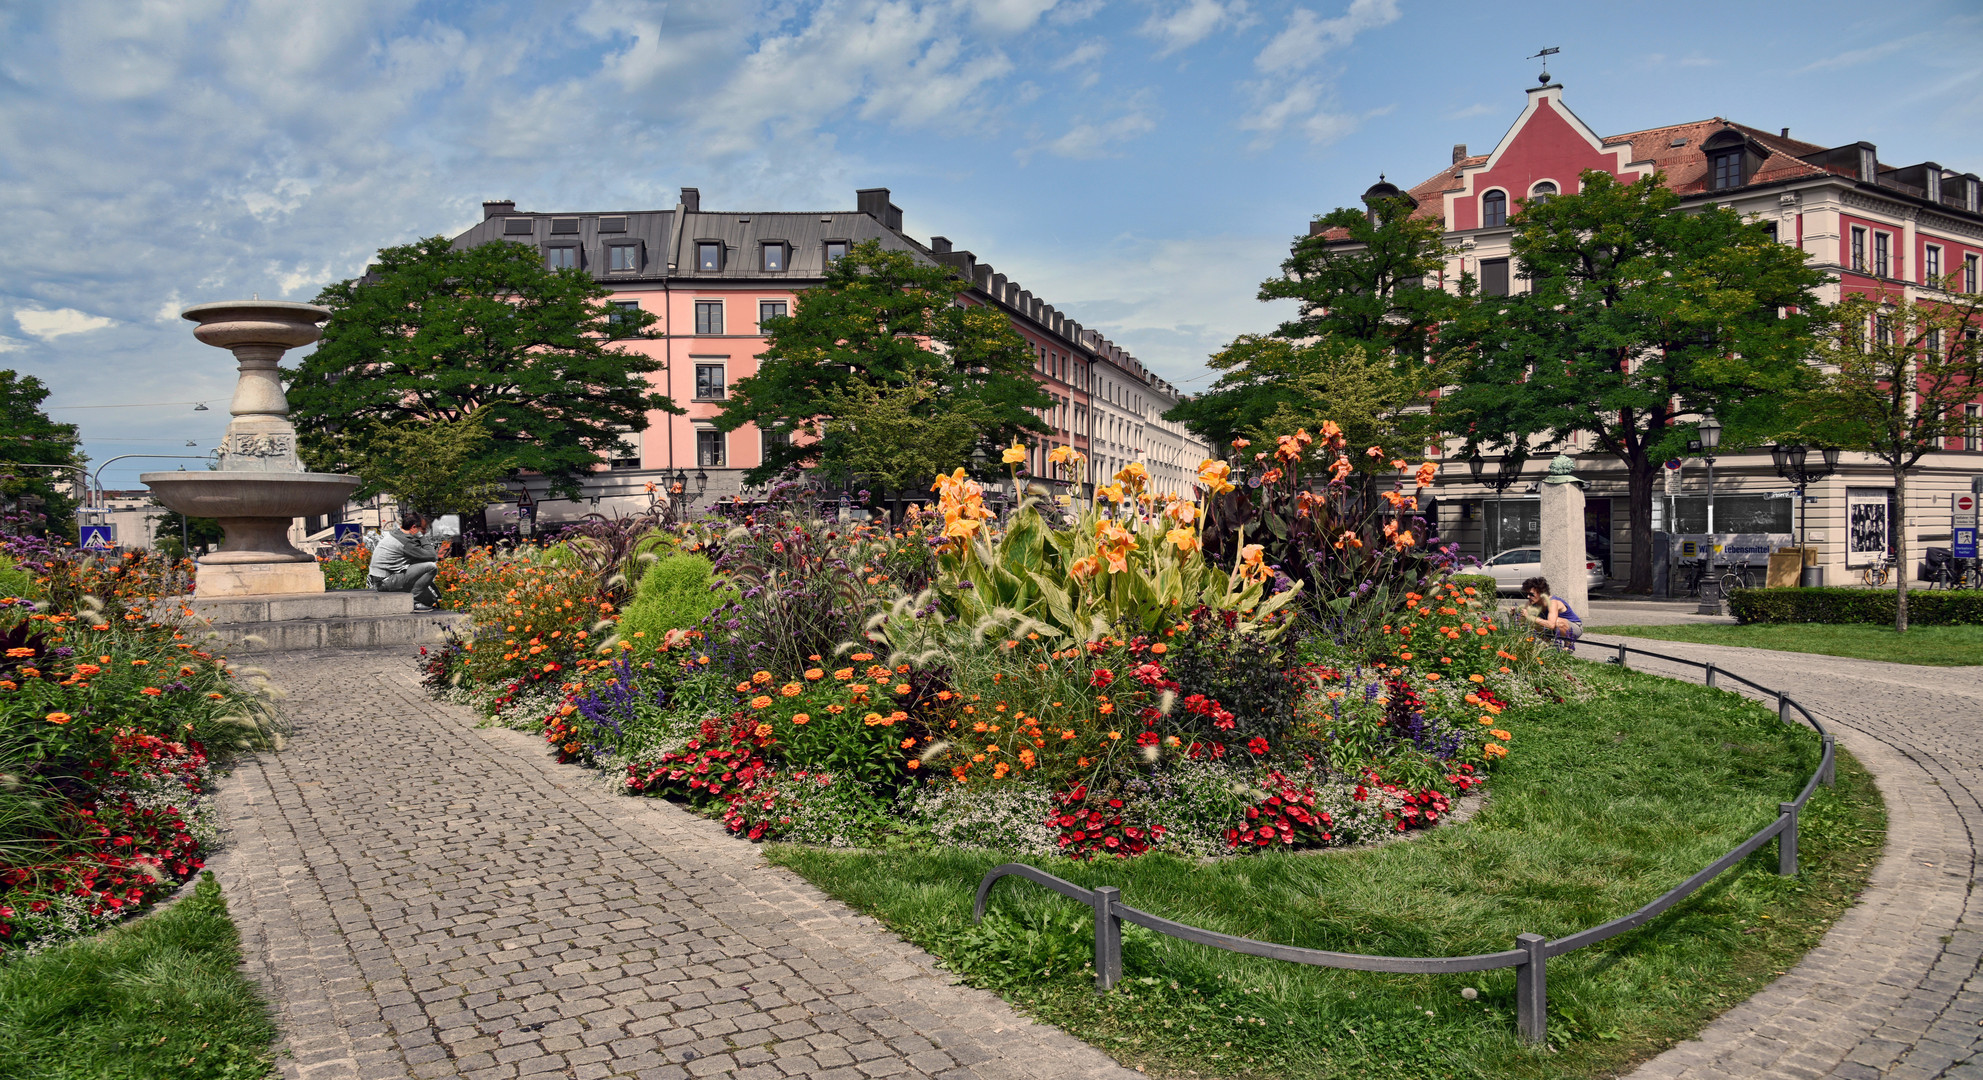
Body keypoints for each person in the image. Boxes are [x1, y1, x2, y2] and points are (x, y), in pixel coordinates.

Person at [368, 510, 440, 611]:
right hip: (385, 582)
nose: (425, 532)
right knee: (431, 567)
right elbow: (433, 556)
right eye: (423, 529)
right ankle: (412, 601)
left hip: (379, 580)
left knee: (430, 600)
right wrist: (420, 536)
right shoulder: (406, 543)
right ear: (414, 528)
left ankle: (422, 599)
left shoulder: (397, 534)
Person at [1511, 575, 1581, 649]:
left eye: (1531, 594)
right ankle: (1551, 646)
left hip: (1573, 628)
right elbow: (1521, 622)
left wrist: (1530, 616)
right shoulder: (1530, 603)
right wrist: (1513, 615)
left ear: (1541, 593)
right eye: (1527, 594)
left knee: (1557, 621)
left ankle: (1568, 646)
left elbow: (1551, 625)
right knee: (1533, 623)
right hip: (1555, 630)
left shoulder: (1553, 602)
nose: (1528, 597)